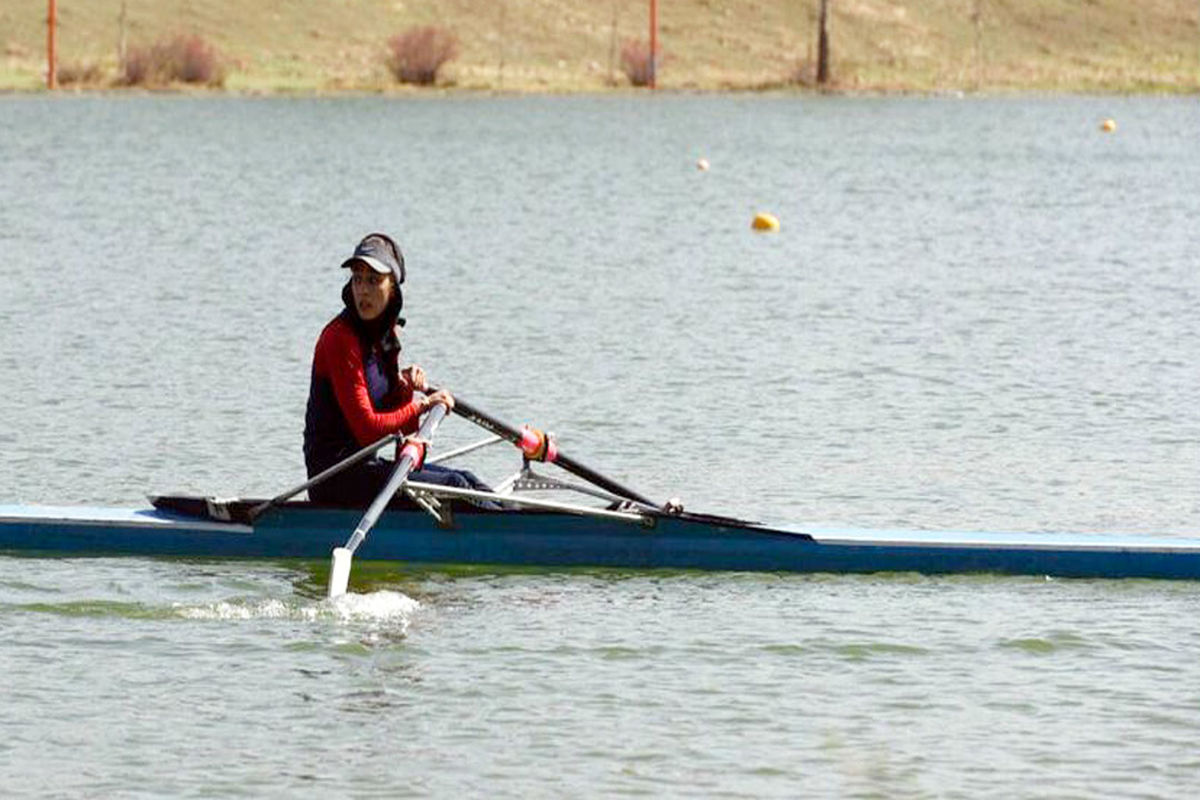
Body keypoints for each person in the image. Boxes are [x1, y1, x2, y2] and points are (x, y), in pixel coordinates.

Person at [303, 232, 489, 507]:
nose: (363, 290)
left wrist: (404, 390)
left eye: (374, 280)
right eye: (357, 279)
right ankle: (524, 542)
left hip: (367, 467)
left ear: (393, 287)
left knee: (467, 480)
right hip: (333, 479)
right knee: (456, 487)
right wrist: (423, 405)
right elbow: (368, 429)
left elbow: (393, 417)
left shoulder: (386, 336)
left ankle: (531, 526)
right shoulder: (339, 340)